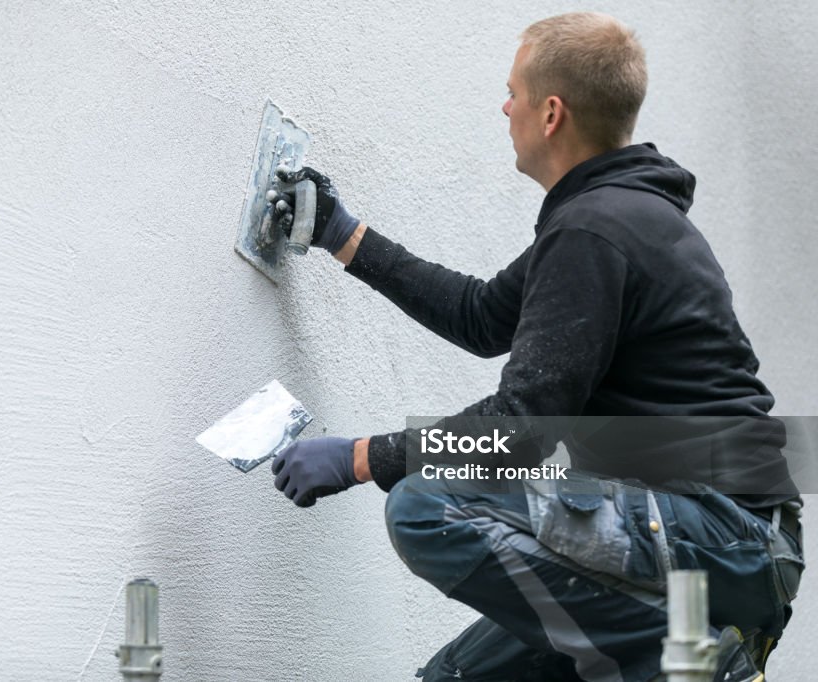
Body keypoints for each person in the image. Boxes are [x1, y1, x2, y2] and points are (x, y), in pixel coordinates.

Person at [267, 12, 803, 682]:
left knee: (429, 503)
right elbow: (481, 316)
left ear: (551, 113)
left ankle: (697, 663)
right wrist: (344, 235)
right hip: (718, 542)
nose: (504, 106)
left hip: (727, 538)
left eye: (513, 92)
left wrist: (360, 458)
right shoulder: (614, 218)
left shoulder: (598, 230)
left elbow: (521, 430)